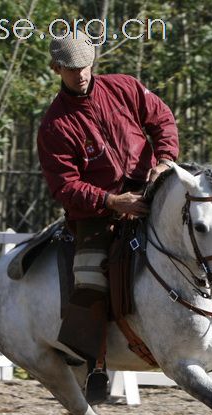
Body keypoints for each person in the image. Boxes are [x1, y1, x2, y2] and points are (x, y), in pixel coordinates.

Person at [37, 29, 179, 375]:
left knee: (200, 228)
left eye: (85, 64)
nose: (81, 73)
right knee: (89, 280)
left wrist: (163, 161)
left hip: (151, 186)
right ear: (56, 68)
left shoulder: (124, 87)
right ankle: (93, 360)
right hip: (98, 213)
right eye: (72, 68)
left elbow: (162, 120)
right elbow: (65, 187)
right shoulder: (54, 125)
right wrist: (112, 201)